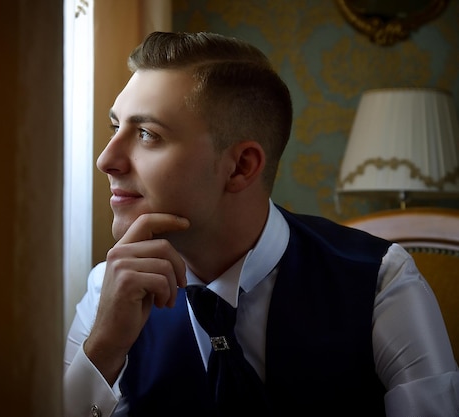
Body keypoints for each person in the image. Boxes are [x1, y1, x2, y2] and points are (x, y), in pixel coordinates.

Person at [63, 31, 459, 417]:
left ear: (241, 166)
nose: (106, 159)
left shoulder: (380, 282)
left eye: (148, 134)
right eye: (117, 128)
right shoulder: (106, 293)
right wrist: (104, 350)